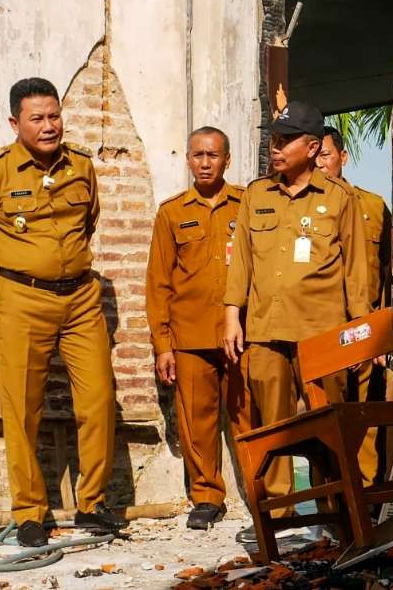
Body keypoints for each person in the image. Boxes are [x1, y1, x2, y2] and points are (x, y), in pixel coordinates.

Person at [0, 77, 127, 548]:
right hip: (22, 302)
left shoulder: (82, 165)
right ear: (15, 123)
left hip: (81, 299)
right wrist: (6, 283)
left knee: (99, 401)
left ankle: (92, 504)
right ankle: (30, 512)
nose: (49, 127)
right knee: (21, 408)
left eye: (54, 116)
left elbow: (87, 223)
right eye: (37, 118)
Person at [222, 101, 372, 543]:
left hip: (322, 336)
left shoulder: (339, 199)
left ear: (312, 147)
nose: (276, 148)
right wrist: (232, 316)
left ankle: (338, 519)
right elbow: (242, 264)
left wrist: (359, 336)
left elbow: (357, 276)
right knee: (273, 432)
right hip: (265, 332)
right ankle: (281, 523)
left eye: (286, 141)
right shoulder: (257, 195)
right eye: (274, 139)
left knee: (329, 431)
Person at [145, 126, 251, 530]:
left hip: (241, 332)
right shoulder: (172, 212)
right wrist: (162, 343)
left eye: (213, 155)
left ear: (227, 159)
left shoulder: (247, 204)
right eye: (197, 155)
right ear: (188, 159)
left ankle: (264, 496)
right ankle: (207, 497)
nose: (205, 163)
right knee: (197, 423)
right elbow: (158, 281)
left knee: (249, 417)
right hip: (189, 335)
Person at [316, 126, 392, 486]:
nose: (320, 164)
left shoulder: (374, 206)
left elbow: (390, 271)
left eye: (326, 156)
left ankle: (366, 496)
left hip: (363, 328)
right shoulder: (305, 211)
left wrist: (382, 332)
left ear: (343, 158)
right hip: (324, 328)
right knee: (326, 416)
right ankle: (331, 497)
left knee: (365, 414)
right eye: (314, 156)